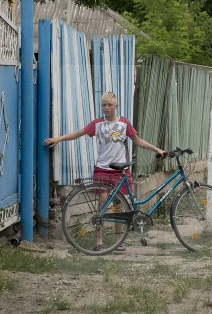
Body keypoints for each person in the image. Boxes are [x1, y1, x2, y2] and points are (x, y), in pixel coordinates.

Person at [43, 91, 166, 251]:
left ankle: (118, 241)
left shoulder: (124, 124)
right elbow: (79, 133)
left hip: (121, 171)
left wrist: (157, 149)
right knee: (102, 204)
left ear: (116, 106)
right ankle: (98, 241)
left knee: (119, 206)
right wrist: (58, 138)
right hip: (102, 169)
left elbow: (137, 140)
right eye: (104, 105)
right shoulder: (97, 124)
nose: (106, 108)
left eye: (109, 105)